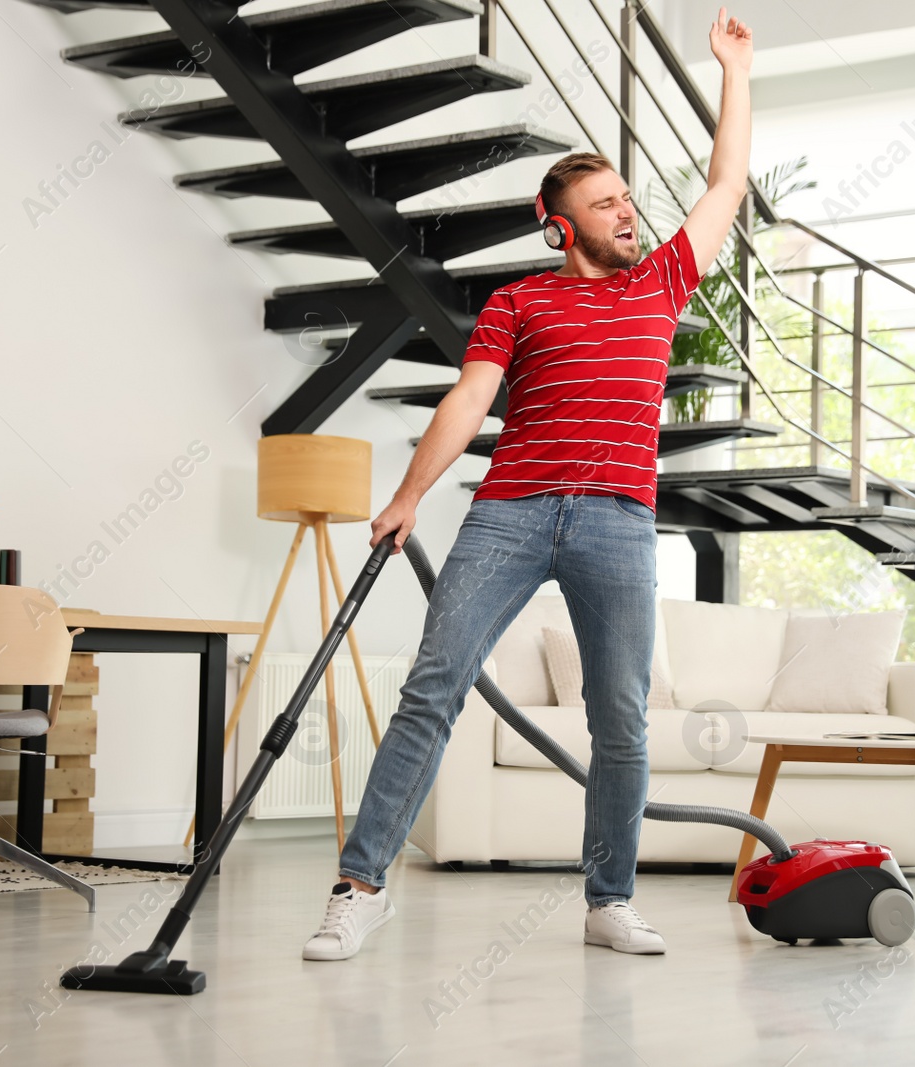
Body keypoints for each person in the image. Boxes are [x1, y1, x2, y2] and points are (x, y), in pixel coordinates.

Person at [303, 7, 754, 961]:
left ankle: (609, 899)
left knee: (622, 719)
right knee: (434, 685)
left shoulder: (662, 283)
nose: (628, 212)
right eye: (606, 205)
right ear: (559, 227)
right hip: (507, 512)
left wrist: (733, 71)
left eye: (629, 199)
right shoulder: (517, 300)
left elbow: (726, 182)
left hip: (620, 525)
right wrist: (408, 496)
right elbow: (470, 402)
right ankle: (359, 886)